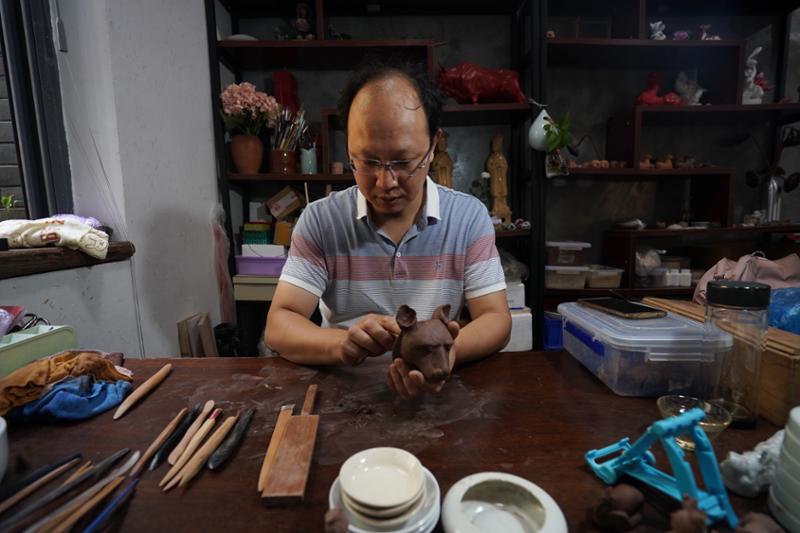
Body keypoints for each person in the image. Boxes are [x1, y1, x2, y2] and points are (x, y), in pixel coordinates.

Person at [264, 59, 511, 399]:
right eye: (366, 161)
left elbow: (496, 319)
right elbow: (279, 325)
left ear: (434, 144)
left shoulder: (468, 217)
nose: (385, 182)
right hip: (345, 393)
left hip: (436, 389)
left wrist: (443, 354)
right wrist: (342, 344)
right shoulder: (321, 220)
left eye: (403, 161)